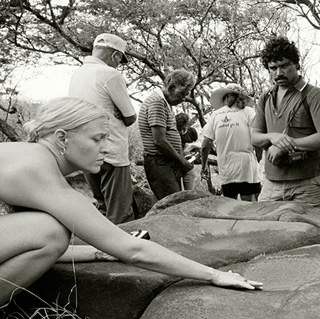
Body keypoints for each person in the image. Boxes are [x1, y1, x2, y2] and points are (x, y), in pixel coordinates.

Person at [0, 97, 262, 307]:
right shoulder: (42, 175)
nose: (106, 148)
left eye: (106, 138)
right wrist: (215, 274)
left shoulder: (23, 153)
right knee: (52, 231)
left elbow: (21, 244)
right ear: (61, 138)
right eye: (97, 139)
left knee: (49, 231)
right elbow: (132, 250)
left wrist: (99, 252)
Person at [251, 36, 320, 208]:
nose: (278, 73)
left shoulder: (314, 95)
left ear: (296, 65)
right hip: (270, 184)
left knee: (310, 233)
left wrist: (286, 145)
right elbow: (254, 138)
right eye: (273, 68)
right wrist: (273, 137)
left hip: (306, 186)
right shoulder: (265, 98)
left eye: (284, 66)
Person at [68, 33, 136, 224]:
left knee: (102, 207)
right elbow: (130, 117)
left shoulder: (78, 74)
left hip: (85, 150)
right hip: (112, 150)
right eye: (120, 60)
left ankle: (101, 251)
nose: (119, 64)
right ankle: (123, 251)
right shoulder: (110, 74)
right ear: (115, 56)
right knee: (121, 213)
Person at [138, 69, 195, 200]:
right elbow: (159, 140)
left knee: (175, 202)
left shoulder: (164, 103)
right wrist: (182, 161)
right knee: (172, 205)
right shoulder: (157, 102)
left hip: (166, 163)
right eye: (182, 93)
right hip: (159, 163)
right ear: (172, 87)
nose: (183, 98)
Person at [201, 83, 261, 201]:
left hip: (226, 166)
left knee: (230, 203)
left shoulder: (216, 115)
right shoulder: (249, 112)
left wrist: (204, 165)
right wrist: (257, 160)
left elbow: (205, 144)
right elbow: (257, 140)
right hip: (246, 166)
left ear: (226, 97)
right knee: (248, 201)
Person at [176, 112, 199, 191]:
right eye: (179, 129)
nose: (181, 132)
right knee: (177, 193)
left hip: (189, 166)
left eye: (184, 129)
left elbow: (197, 146)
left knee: (189, 192)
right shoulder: (173, 134)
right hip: (176, 167)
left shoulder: (192, 132)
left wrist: (192, 146)